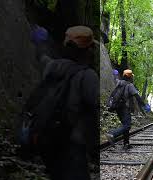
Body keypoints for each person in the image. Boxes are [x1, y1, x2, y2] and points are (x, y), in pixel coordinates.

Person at [31, 25, 98, 180]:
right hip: (73, 144)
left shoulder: (53, 67)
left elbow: (42, 57)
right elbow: (95, 111)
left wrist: (40, 42)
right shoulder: (88, 76)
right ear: (87, 51)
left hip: (48, 139)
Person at [106, 69, 150, 150]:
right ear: (130, 77)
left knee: (125, 125)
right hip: (124, 107)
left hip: (117, 107)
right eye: (132, 76)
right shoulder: (130, 85)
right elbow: (137, 97)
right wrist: (144, 106)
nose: (132, 78)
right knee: (128, 125)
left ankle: (126, 144)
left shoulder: (118, 82)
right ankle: (112, 134)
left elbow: (115, 78)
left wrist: (115, 73)